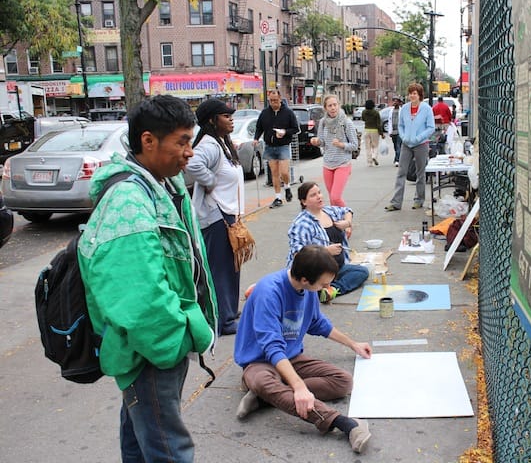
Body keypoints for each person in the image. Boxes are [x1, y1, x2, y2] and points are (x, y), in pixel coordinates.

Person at [77, 95, 217, 462]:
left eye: (191, 140)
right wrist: (173, 340)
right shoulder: (128, 199)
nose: (190, 151)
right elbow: (136, 292)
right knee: (168, 450)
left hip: (153, 347)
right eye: (182, 141)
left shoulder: (162, 185)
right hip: (151, 352)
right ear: (148, 141)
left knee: (142, 442)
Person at [234, 245, 373, 454]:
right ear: (306, 280)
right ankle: (345, 423)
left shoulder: (307, 290)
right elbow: (271, 347)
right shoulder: (269, 292)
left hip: (291, 357)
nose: (327, 289)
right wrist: (298, 387)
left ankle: (266, 398)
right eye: (324, 284)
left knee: (343, 382)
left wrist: (353, 344)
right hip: (260, 361)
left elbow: (318, 323)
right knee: (263, 380)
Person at [185, 98, 244, 335]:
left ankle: (229, 309)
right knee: (221, 269)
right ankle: (223, 320)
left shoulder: (220, 143)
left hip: (227, 214)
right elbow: (193, 163)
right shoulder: (209, 144)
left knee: (232, 267)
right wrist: (209, 182)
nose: (231, 120)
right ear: (212, 120)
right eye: (226, 116)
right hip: (216, 216)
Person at [288, 181, 369, 303]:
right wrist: (325, 251)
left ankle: (330, 290)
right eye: (313, 195)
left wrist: (347, 223)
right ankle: (320, 288)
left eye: (319, 193)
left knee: (362, 272)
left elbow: (347, 210)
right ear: (304, 202)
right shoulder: (301, 224)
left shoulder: (329, 211)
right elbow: (298, 255)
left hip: (336, 268)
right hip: (315, 272)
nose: (319, 196)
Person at [385, 83, 435, 211]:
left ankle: (419, 199)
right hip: (406, 144)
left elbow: (431, 128)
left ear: (419, 95)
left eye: (415, 93)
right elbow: (400, 125)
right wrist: (403, 136)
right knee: (401, 172)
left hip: (421, 144)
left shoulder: (426, 109)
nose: (412, 96)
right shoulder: (405, 109)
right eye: (410, 93)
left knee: (420, 173)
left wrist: (419, 138)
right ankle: (396, 202)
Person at [309, 95, 359, 206]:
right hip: (328, 163)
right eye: (330, 105)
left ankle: (348, 218)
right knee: (332, 199)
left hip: (342, 163)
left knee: (335, 197)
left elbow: (355, 145)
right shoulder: (323, 122)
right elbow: (322, 141)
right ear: (325, 108)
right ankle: (336, 222)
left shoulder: (346, 122)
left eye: (335, 105)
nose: (333, 108)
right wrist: (316, 141)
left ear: (339, 105)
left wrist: (341, 144)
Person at [254, 89, 300, 208]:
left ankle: (287, 187)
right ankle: (278, 197)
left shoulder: (288, 113)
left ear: (280, 99)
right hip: (270, 146)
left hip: (283, 145)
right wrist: (256, 138)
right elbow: (259, 127)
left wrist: (285, 132)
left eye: (275, 100)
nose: (273, 103)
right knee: (274, 173)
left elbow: (296, 129)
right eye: (271, 101)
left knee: (284, 172)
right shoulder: (264, 113)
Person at [360, 99, 383, 167]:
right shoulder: (376, 113)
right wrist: (381, 133)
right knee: (375, 146)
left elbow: (363, 119)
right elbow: (378, 124)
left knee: (368, 147)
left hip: (367, 130)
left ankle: (369, 162)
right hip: (375, 130)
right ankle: (374, 156)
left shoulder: (364, 112)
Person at [387, 96, 403, 167]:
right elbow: (389, 121)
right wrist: (389, 131)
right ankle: (397, 158)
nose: (395, 102)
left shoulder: (401, 110)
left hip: (400, 131)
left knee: (398, 145)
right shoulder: (391, 111)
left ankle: (397, 160)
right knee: (395, 147)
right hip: (393, 131)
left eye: (396, 101)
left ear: (399, 103)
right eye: (394, 101)